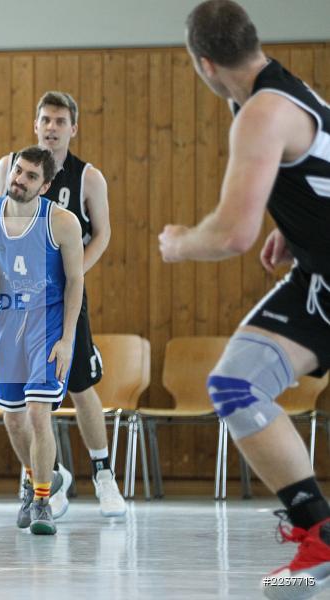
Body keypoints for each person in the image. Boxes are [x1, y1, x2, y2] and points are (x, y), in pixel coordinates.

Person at [160, 2, 330, 596]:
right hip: (318, 280)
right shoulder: (284, 92)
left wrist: (181, 244)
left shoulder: (261, 111)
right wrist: (299, 223)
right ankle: (320, 535)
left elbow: (233, 235)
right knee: (236, 385)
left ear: (203, 64)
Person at [0, 91, 126, 518]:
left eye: (60, 120)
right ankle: (46, 477)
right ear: (35, 124)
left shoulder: (88, 177)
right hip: (18, 301)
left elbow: (102, 233)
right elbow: (0, 223)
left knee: (81, 383)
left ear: (73, 127)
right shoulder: (11, 167)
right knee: (22, 407)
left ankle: (103, 474)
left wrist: (73, 275)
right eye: (45, 119)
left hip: (63, 296)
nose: (52, 126)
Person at [0, 145, 84, 534]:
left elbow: (76, 282)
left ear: (46, 185)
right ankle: (41, 476)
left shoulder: (62, 223)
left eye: (31, 176)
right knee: (13, 418)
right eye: (18, 171)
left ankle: (41, 501)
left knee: (38, 412)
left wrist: (68, 339)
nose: (19, 179)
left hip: (48, 322)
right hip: (9, 323)